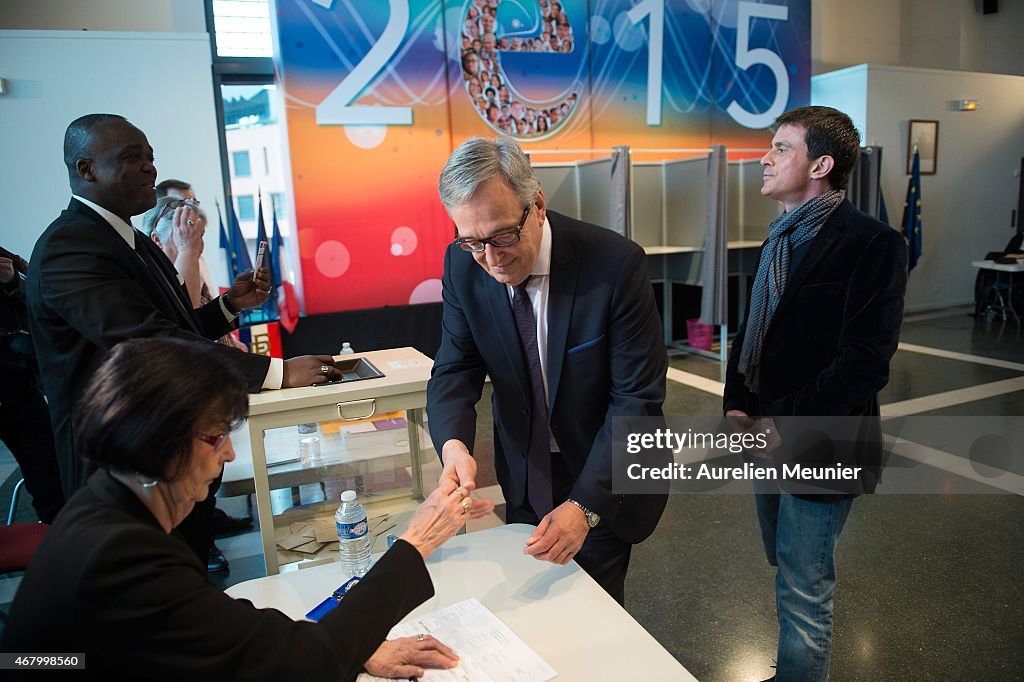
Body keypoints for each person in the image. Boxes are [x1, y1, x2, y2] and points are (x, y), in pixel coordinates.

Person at [0, 337, 492, 680]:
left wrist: (351, 644)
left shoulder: (108, 505)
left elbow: (231, 637)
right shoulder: (123, 558)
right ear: (158, 444)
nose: (229, 454)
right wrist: (415, 541)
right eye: (216, 436)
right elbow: (295, 665)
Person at [27, 114, 342, 506]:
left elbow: (176, 324)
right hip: (120, 460)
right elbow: (146, 340)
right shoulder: (69, 248)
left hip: (170, 439)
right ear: (86, 169)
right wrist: (277, 372)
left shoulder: (133, 240)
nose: (150, 167)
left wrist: (228, 305)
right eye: (131, 157)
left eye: (150, 156)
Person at [427, 137, 668, 604]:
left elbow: (636, 402)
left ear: (536, 204)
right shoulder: (463, 266)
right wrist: (453, 446)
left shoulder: (614, 266)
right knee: (530, 609)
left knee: (594, 614)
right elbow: (455, 367)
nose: (491, 259)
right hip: (525, 472)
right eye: (473, 242)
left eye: (502, 236)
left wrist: (583, 508)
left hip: (602, 474)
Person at [723, 106, 907, 681]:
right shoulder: (779, 237)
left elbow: (864, 363)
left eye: (782, 148)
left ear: (822, 164)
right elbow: (753, 331)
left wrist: (784, 422)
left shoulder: (873, 244)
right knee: (785, 563)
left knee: (806, 587)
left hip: (822, 442)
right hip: (767, 437)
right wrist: (735, 403)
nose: (765, 157)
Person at [141, 193, 255, 572]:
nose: (196, 241)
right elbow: (183, 322)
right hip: (174, 408)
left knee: (205, 497)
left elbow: (203, 319)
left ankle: (201, 548)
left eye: (199, 235)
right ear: (159, 238)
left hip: (206, 396)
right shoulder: (153, 268)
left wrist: (233, 304)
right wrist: (188, 250)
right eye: (186, 231)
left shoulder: (186, 262)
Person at [0, 246, 64, 523]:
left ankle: (61, 541)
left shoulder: (6, 259)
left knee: (48, 472)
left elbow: (42, 297)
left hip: (18, 384)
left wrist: (13, 282)